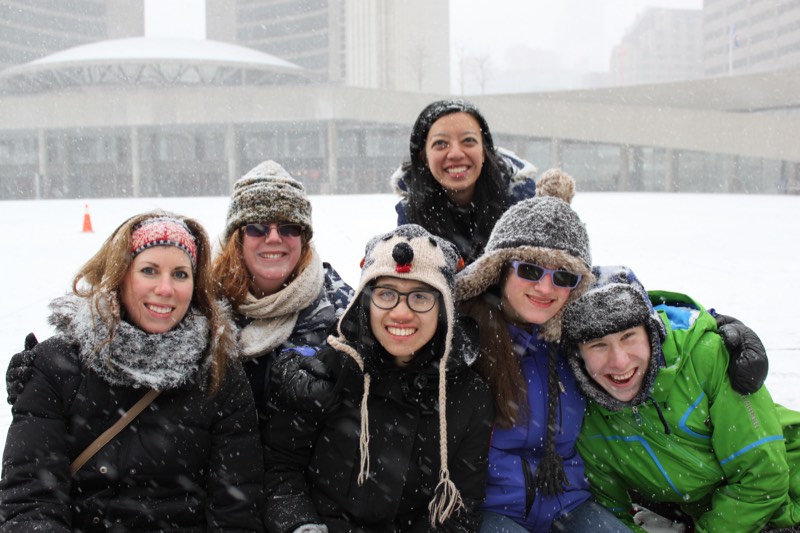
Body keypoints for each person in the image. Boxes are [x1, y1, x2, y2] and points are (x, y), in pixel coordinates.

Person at [0, 211, 263, 531]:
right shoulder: (56, 366)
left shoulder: (218, 373)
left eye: (180, 274)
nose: (166, 289)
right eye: (149, 270)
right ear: (120, 274)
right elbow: (31, 498)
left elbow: (235, 510)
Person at [262, 224, 495, 532]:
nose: (401, 313)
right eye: (386, 294)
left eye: (421, 297)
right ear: (365, 302)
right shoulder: (328, 370)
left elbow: (459, 509)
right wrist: (299, 524)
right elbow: (280, 469)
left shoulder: (469, 395)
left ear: (443, 309)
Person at [561, 265, 800, 532]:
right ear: (578, 355)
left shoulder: (705, 359)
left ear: (652, 333)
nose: (619, 361)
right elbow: (613, 514)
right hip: (733, 517)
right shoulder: (586, 417)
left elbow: (764, 477)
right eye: (598, 345)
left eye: (628, 337)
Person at [454, 173, 632, 532]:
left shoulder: (576, 338)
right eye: (531, 269)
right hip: (489, 510)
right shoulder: (462, 337)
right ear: (500, 268)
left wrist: (720, 327)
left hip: (569, 504)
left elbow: (642, 316)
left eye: (564, 277)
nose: (545, 287)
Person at [211, 159, 353, 423]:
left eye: (288, 227)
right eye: (257, 227)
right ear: (237, 238)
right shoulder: (201, 306)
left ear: (303, 238)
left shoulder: (343, 310)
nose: (274, 238)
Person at [391, 98, 538, 265]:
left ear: (484, 150)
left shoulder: (523, 204)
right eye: (440, 143)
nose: (455, 153)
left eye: (468, 140)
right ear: (424, 157)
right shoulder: (413, 213)